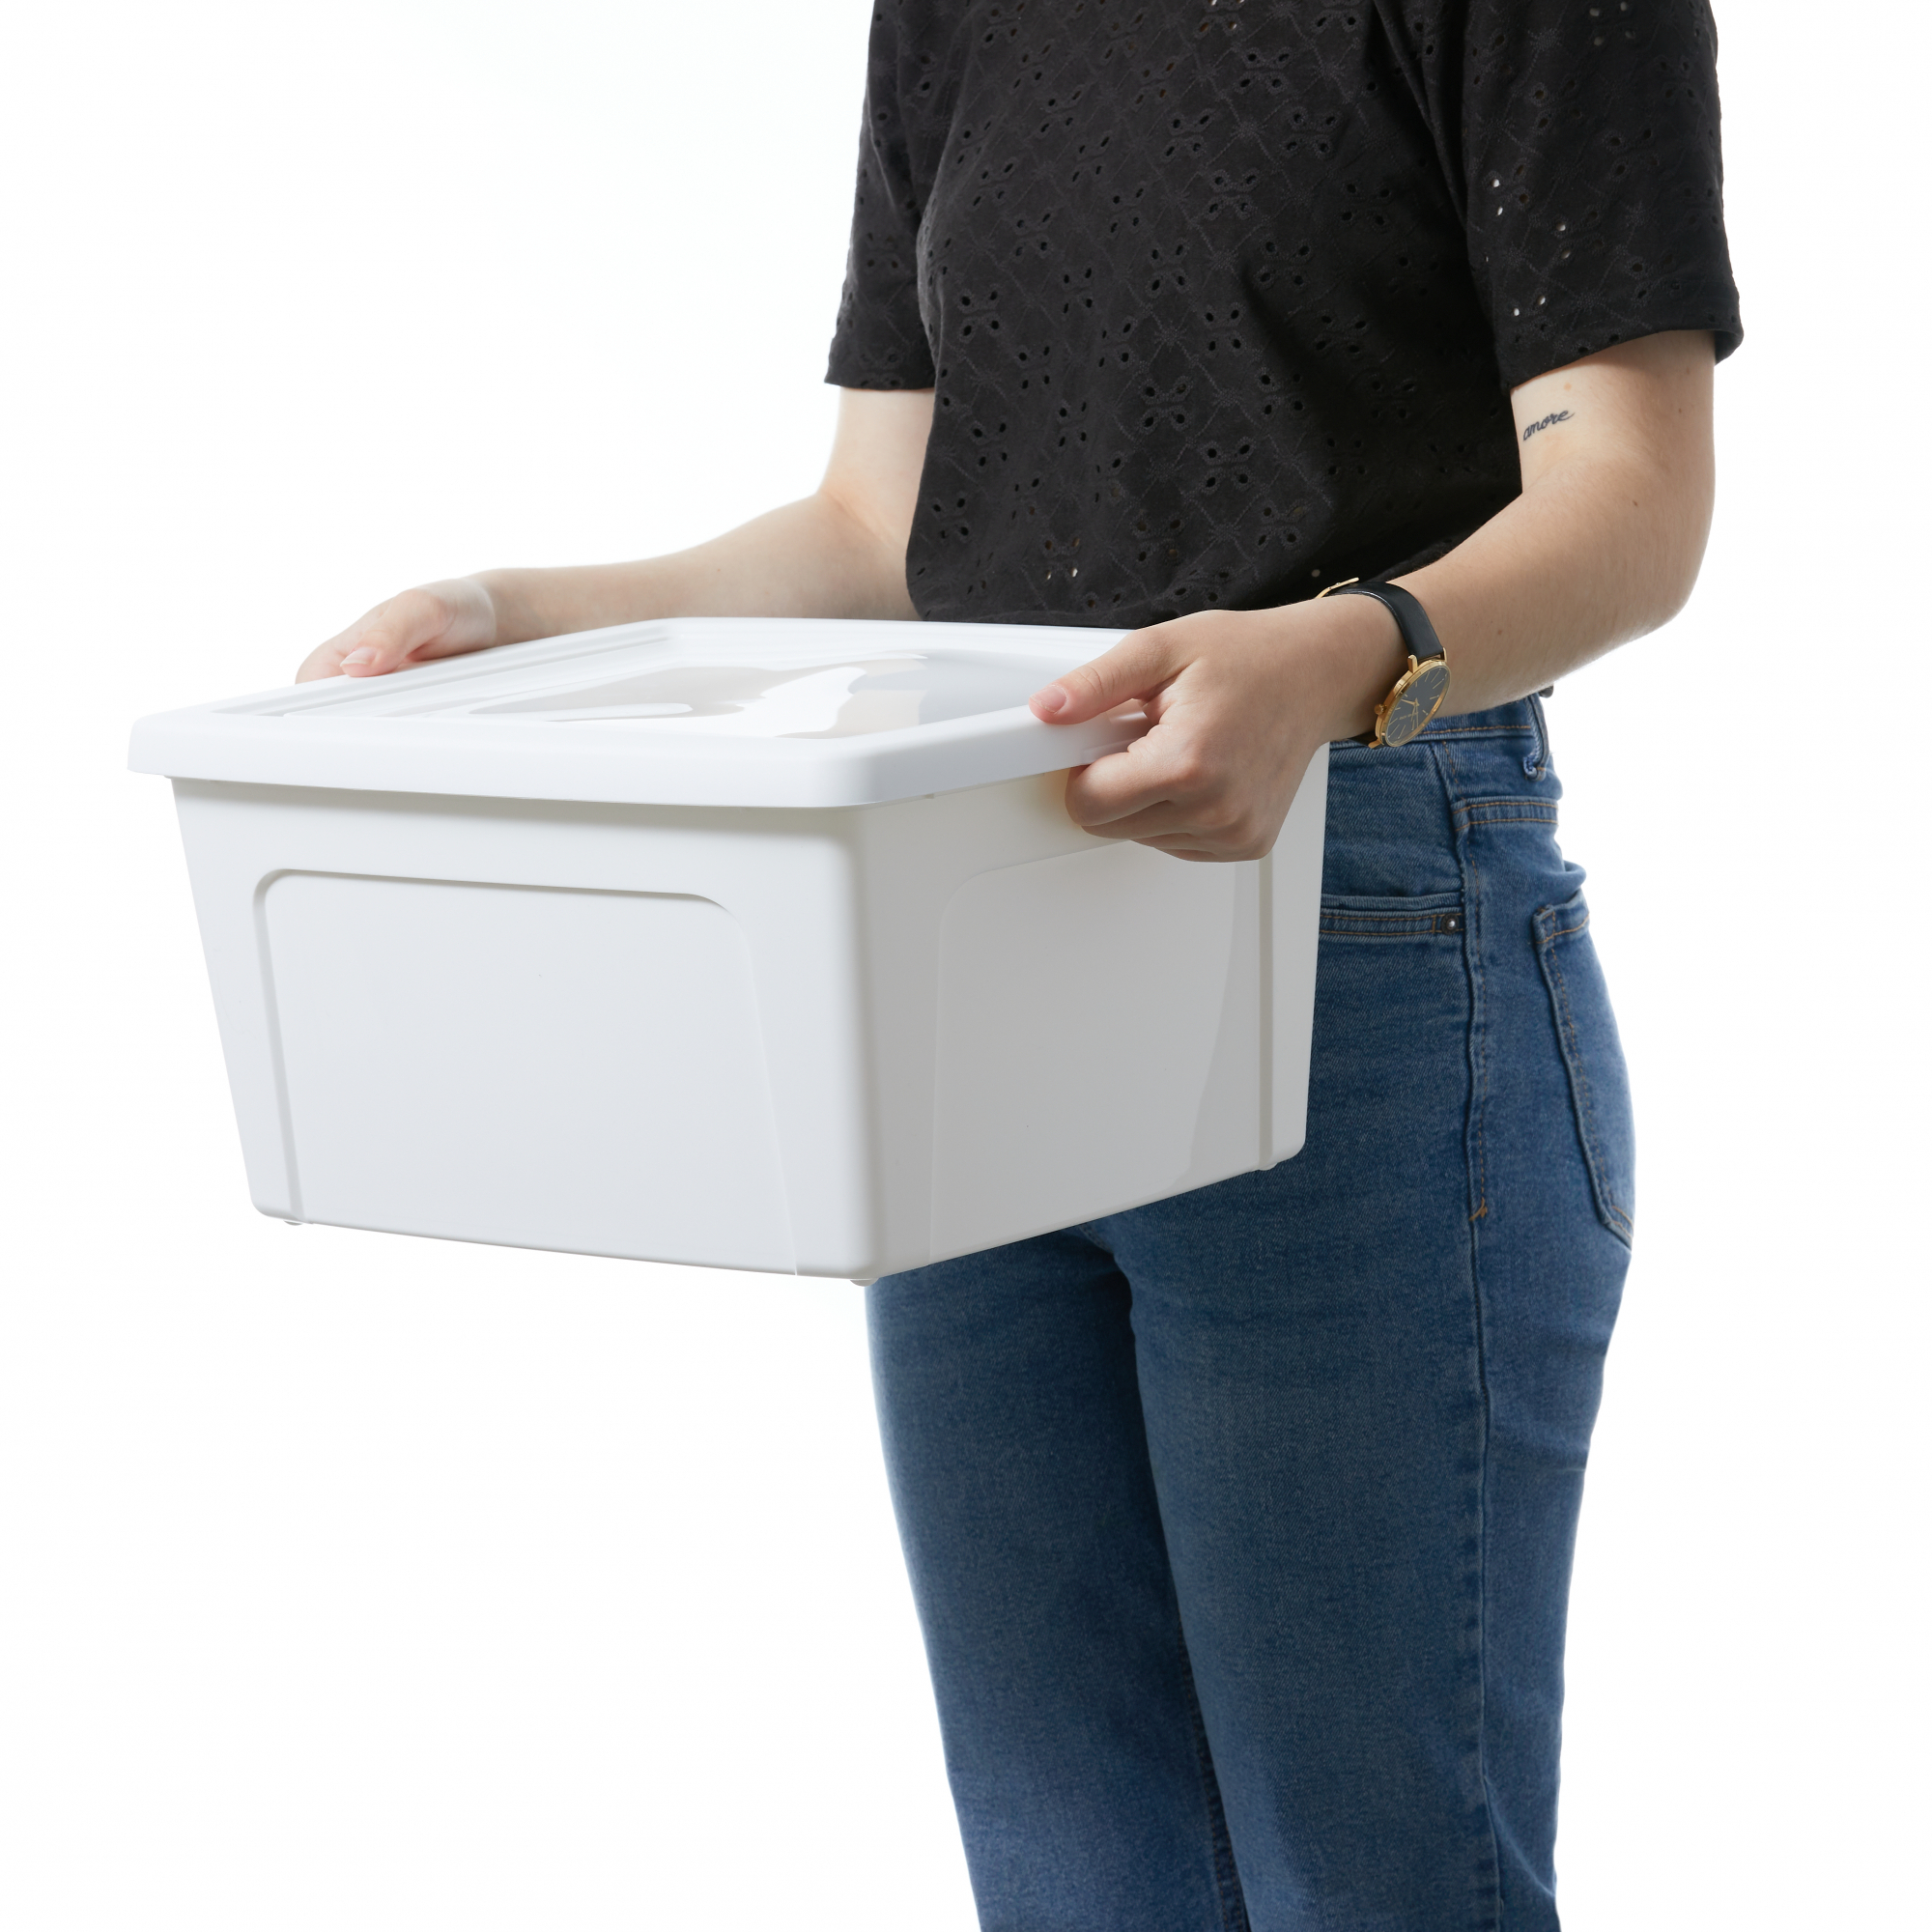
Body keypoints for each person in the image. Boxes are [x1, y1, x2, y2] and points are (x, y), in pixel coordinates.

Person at [298, 2, 1740, 1923]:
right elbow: (877, 526)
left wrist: (1340, 650)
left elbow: (1629, 499)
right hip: (969, 936)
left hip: (1353, 910)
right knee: (1074, 1873)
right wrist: (529, 617)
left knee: (1373, 1875)